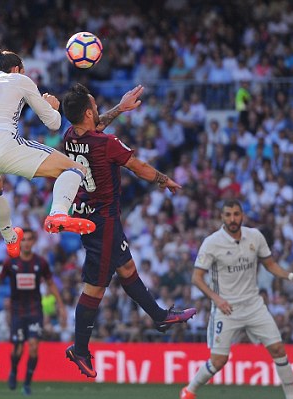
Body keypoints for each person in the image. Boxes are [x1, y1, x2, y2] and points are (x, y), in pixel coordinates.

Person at [60, 83, 196, 378]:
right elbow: (138, 167)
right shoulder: (107, 143)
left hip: (94, 214)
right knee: (95, 287)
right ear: (87, 111)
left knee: (127, 268)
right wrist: (164, 179)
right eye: (94, 106)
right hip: (102, 221)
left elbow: (93, 125)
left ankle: (159, 316)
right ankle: (79, 349)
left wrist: (121, 108)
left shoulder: (70, 136)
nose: (98, 110)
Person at [0, 45, 95, 260]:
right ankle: (58, 213)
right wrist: (53, 106)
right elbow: (53, 123)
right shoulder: (19, 80)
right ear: (16, 69)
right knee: (75, 168)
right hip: (0, 142)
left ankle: (10, 238)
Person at [181, 200, 293, 399]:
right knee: (218, 361)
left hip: (254, 305)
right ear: (222, 217)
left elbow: (270, 264)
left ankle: (291, 397)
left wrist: (290, 276)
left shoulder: (255, 236)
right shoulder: (212, 242)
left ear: (242, 216)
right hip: (226, 309)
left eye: (236, 214)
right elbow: (196, 278)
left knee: (278, 349)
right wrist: (217, 299)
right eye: (228, 215)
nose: (233, 219)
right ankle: (189, 391)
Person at [0, 228, 65, 395]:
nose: (26, 243)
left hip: (34, 310)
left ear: (34, 242)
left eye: (29, 239)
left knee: (33, 347)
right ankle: (14, 370)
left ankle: (27, 383)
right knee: (18, 349)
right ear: (19, 242)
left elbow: (51, 283)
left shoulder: (41, 263)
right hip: (17, 311)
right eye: (23, 240)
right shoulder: (11, 262)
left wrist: (60, 305)